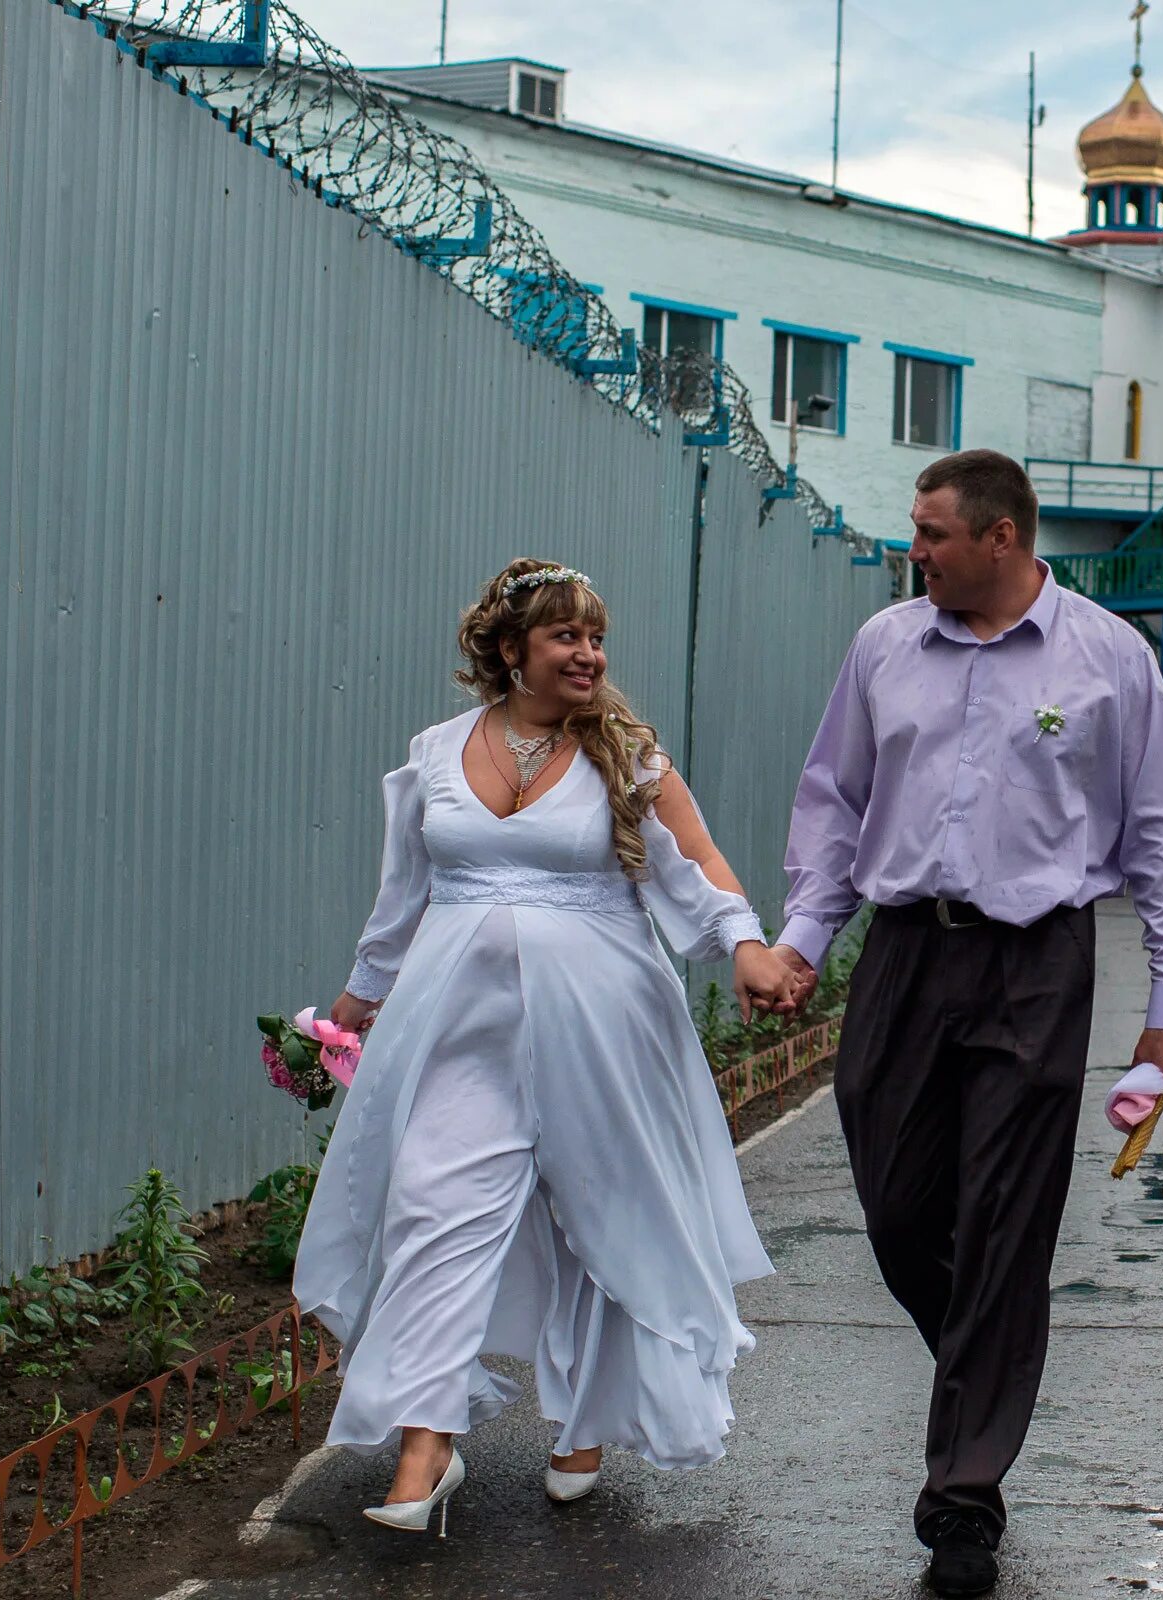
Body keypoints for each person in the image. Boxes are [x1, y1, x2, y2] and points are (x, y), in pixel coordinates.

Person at [765, 449, 1163, 1596]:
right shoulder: (883, 647)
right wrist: (806, 942)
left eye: (930, 531)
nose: (914, 548)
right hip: (905, 950)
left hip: (1037, 959)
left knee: (1007, 1221)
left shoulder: (1108, 658)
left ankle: (962, 1494)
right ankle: (990, 1353)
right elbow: (835, 798)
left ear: (1000, 537)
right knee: (899, 1202)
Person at [298, 559, 786, 1536]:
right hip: (460, 1028)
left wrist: (744, 945)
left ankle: (588, 1420)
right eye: (566, 635)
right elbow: (401, 900)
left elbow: (695, 867)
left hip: (604, 1027)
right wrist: (354, 1003)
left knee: (595, 1219)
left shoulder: (627, 756)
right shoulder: (434, 755)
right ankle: (424, 1447)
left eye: (596, 636)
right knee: (436, 1209)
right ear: (510, 650)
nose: (589, 652)